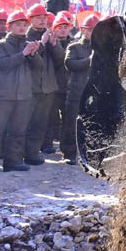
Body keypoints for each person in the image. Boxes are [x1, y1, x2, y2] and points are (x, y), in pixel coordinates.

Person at [0, 9, 38, 175]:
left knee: (18, 131)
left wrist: (33, 55)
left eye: (24, 25)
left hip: (23, 95)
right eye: (17, 25)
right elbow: (2, 64)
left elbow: (39, 68)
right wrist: (23, 54)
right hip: (2, 94)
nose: (22, 28)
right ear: (9, 27)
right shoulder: (0, 45)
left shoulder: (28, 44)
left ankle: (13, 161)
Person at [24, 4, 61, 165]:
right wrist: (43, 43)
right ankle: (20, 153)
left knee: (40, 123)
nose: (42, 20)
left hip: (47, 86)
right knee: (25, 122)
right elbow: (31, 58)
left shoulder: (50, 35)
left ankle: (33, 153)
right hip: (30, 86)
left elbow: (60, 61)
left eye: (44, 18)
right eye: (38, 18)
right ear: (30, 19)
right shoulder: (25, 36)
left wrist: (54, 44)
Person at [61, 12, 96, 164]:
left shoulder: (102, 48)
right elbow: (69, 64)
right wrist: (89, 60)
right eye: (89, 30)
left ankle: (89, 154)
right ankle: (69, 153)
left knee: (91, 124)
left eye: (94, 30)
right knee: (71, 124)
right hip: (76, 92)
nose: (91, 33)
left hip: (93, 94)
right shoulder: (74, 47)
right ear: (83, 30)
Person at [45, 14, 75, 154]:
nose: (62, 30)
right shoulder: (48, 44)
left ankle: (66, 148)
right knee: (50, 118)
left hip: (68, 86)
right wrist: (53, 45)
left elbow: (65, 60)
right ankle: (47, 144)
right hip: (53, 86)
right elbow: (58, 60)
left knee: (68, 120)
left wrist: (55, 45)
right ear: (54, 29)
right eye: (59, 27)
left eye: (65, 27)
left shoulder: (74, 44)